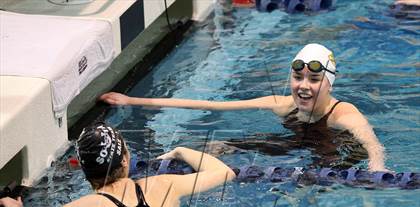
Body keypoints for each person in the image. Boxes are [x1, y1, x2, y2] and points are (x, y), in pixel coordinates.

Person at [99, 43, 387, 171]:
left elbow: (372, 145)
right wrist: (131, 100)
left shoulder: (343, 114)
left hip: (338, 158)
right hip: (296, 146)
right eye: (298, 77)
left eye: (314, 79)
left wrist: (376, 169)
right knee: (217, 146)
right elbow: (211, 104)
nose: (303, 85)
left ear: (329, 84)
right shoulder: (282, 105)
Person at [0, 123, 236, 207]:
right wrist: (180, 151)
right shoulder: (164, 184)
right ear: (125, 159)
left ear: (84, 169)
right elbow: (224, 172)